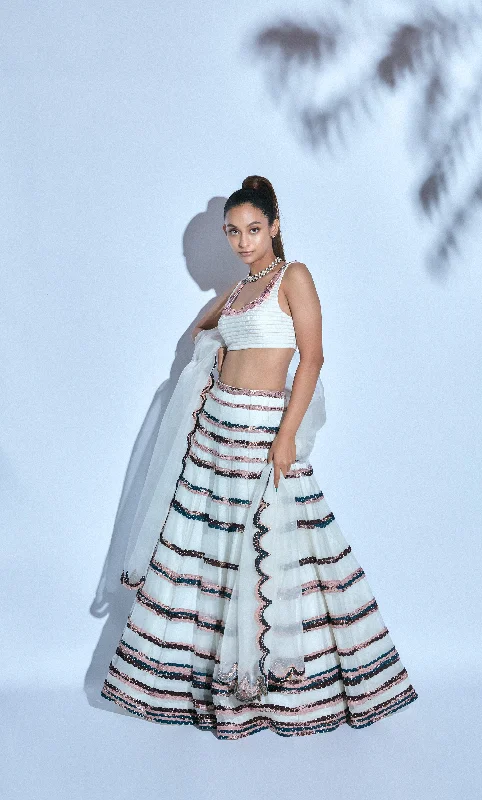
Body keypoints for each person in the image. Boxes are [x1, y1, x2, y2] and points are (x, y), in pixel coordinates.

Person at [100, 175, 419, 739]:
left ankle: (275, 688)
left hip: (263, 429)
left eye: (253, 229)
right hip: (217, 428)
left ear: (274, 226)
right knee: (215, 552)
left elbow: (314, 359)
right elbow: (202, 333)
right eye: (233, 232)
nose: (243, 241)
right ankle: (208, 685)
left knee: (275, 549)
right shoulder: (241, 290)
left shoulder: (293, 277)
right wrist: (217, 353)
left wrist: (286, 434)